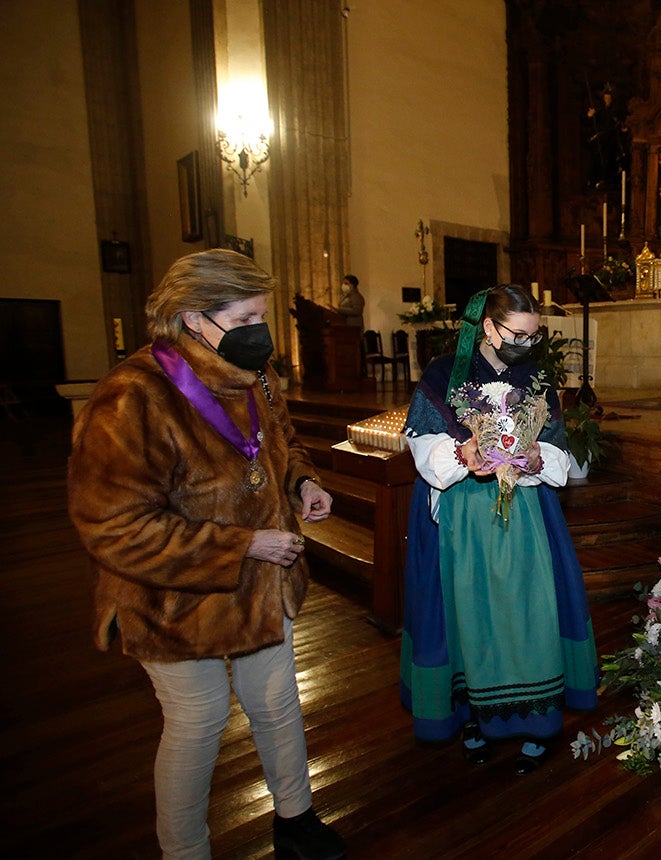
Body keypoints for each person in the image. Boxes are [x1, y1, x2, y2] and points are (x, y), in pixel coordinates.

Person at [68, 249, 345, 860]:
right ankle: (185, 851)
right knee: (199, 721)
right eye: (246, 318)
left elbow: (283, 442)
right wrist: (241, 544)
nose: (260, 332)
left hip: (262, 584)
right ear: (194, 319)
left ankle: (296, 821)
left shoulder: (257, 377)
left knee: (276, 703)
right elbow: (111, 527)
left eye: (261, 316)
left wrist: (303, 483)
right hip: (172, 596)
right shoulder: (133, 396)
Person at [399, 283, 598, 774]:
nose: (527, 346)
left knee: (528, 615)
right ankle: (472, 718)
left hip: (526, 516)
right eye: (519, 335)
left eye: (535, 336)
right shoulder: (445, 373)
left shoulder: (536, 380)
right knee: (469, 615)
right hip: (463, 518)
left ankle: (537, 723)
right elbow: (420, 442)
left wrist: (536, 457)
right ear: (488, 327)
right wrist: (462, 453)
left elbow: (558, 450)